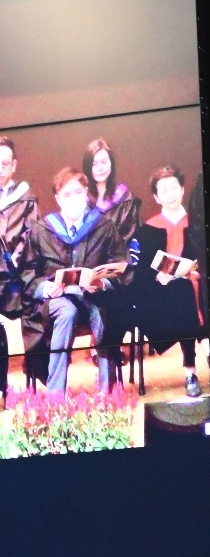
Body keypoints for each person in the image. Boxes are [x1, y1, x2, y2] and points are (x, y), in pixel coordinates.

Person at [18, 167, 126, 394]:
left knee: (103, 314)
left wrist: (101, 283)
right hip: (56, 301)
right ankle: (56, 394)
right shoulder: (42, 231)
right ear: (58, 199)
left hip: (94, 297)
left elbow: (120, 265)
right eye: (66, 194)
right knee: (67, 312)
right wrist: (46, 288)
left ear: (86, 193)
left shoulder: (103, 226)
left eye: (78, 192)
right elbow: (27, 273)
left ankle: (107, 391)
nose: (73, 199)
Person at [124, 164, 205, 398]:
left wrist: (195, 269)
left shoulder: (198, 225)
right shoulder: (147, 231)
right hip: (162, 295)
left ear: (182, 190)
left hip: (199, 287)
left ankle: (194, 366)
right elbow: (138, 272)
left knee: (190, 290)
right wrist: (157, 276)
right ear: (157, 198)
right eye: (164, 190)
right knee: (183, 291)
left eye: (174, 188)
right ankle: (192, 368)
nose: (170, 194)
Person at [0, 137, 39, 407]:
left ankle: (35, 374)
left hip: (18, 275)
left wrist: (17, 255)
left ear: (14, 165)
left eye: (5, 163)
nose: (0, 169)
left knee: (39, 309)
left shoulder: (26, 197)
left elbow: (33, 234)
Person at [82, 137, 140, 245]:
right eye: (94, 164)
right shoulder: (81, 199)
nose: (100, 168)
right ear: (87, 167)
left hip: (118, 254)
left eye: (104, 162)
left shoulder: (125, 199)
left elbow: (130, 238)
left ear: (111, 163)